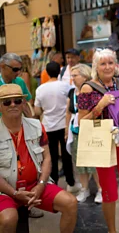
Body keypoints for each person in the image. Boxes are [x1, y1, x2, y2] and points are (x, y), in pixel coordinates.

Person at [0, 84, 77, 233]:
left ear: (24, 103)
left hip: (34, 185)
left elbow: (47, 158)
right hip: (5, 190)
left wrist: (41, 184)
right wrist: (14, 193)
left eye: (17, 100)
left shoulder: (36, 126)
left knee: (70, 203)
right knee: (9, 218)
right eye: (7, 102)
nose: (13, 105)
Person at [78, 49, 119, 233]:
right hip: (102, 141)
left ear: (116, 65)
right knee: (109, 190)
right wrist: (100, 106)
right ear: (96, 67)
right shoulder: (87, 88)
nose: (107, 67)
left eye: (110, 63)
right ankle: (112, 231)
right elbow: (82, 122)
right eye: (103, 63)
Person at [34, 62, 79, 194]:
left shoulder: (40, 89)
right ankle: (71, 183)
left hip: (48, 126)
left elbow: (37, 111)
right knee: (66, 155)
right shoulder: (66, 86)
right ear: (59, 72)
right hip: (64, 125)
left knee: (51, 156)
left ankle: (53, 184)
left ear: (47, 73)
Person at [66, 63, 102, 203]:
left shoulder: (91, 90)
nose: (73, 79)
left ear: (85, 75)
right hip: (75, 130)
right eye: (71, 76)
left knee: (94, 162)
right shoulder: (72, 92)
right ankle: (84, 189)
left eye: (75, 75)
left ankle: (100, 189)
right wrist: (65, 130)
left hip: (91, 129)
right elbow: (68, 111)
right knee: (80, 162)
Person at [0, 53, 33, 117]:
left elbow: (27, 104)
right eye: (15, 69)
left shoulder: (20, 82)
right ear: (2, 66)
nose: (18, 72)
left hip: (18, 122)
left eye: (20, 69)